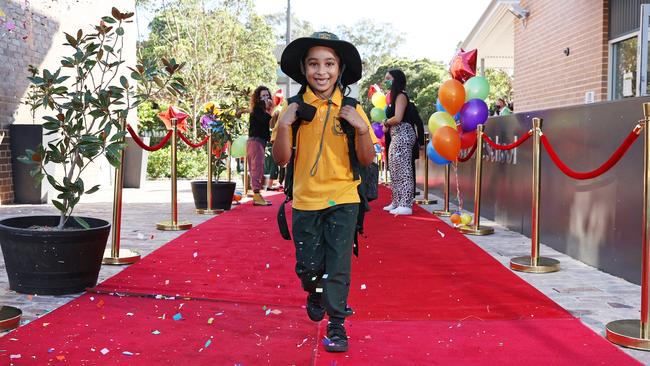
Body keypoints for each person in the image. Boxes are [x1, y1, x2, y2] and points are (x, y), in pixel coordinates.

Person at [273, 31, 377, 353]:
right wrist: (284, 126)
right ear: (303, 69)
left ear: (339, 68)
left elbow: (366, 158)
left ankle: (337, 323)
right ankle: (313, 289)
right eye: (314, 64)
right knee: (308, 266)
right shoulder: (293, 109)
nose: (322, 71)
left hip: (344, 198)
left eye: (329, 63)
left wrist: (361, 128)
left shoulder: (352, 108)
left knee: (339, 264)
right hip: (305, 200)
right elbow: (281, 159)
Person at [381, 69, 416, 216]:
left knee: (404, 169)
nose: (386, 81)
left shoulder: (401, 96)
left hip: (404, 134)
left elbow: (398, 117)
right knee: (394, 169)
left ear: (396, 79)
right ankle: (396, 201)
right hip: (396, 136)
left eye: (388, 78)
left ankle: (406, 203)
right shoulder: (393, 98)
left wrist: (385, 122)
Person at [247, 86, 273, 206]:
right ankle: (256, 195)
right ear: (258, 98)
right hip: (256, 141)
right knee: (256, 167)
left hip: (259, 141)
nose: (265, 98)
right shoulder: (257, 109)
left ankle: (258, 194)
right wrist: (269, 110)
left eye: (267, 95)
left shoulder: (261, 110)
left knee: (259, 167)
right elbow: (264, 120)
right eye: (262, 96)